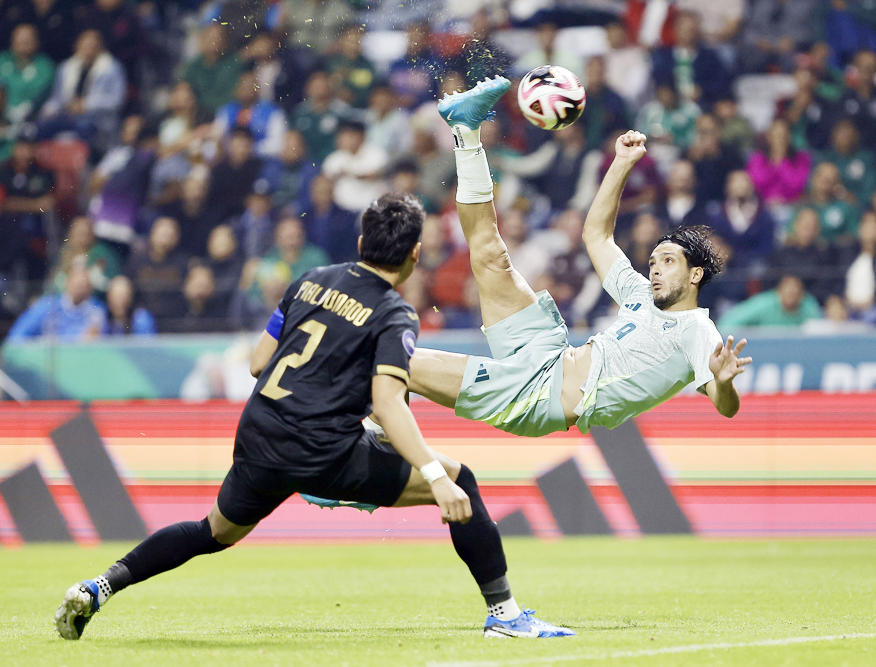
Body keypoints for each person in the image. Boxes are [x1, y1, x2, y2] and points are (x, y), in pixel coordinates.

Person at [54, 192, 574, 641]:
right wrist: (436, 478)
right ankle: (505, 615)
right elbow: (391, 402)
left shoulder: (309, 280)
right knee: (464, 479)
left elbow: (260, 362)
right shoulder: (395, 314)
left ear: (360, 242)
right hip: (324, 450)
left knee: (212, 532)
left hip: (260, 435)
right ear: (415, 255)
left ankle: (98, 586)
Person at [311, 78, 751, 450]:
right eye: (653, 260)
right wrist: (620, 164)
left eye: (667, 261)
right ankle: (466, 129)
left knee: (396, 360)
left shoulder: (699, 332)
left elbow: (724, 405)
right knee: (488, 252)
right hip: (550, 351)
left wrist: (724, 381)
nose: (653, 268)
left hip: (538, 398)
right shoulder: (640, 295)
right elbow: (596, 235)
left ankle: (347, 455)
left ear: (695, 275)